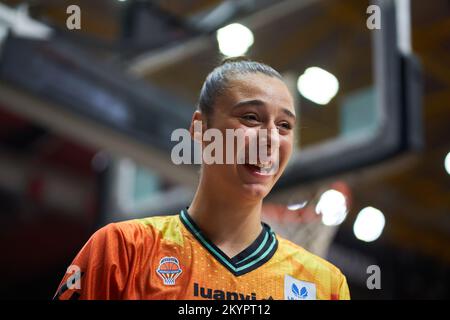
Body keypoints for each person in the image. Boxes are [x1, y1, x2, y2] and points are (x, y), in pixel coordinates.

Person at [54, 57, 350, 300]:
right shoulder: (123, 249)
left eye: (284, 125)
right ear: (200, 129)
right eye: (250, 117)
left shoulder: (324, 285)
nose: (270, 138)